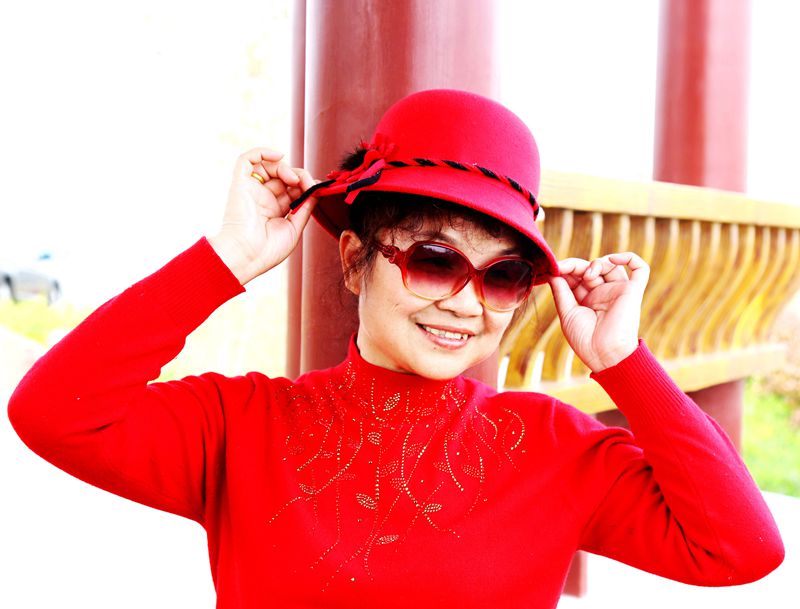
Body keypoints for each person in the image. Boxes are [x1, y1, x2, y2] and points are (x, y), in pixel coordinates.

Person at [7, 89, 784, 609]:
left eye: (503, 275)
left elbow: (740, 549)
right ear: (355, 259)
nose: (466, 302)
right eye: (434, 260)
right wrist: (225, 260)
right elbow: (51, 413)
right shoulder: (241, 425)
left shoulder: (554, 448)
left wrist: (623, 361)